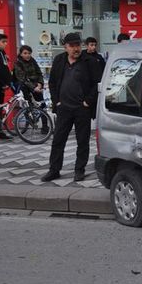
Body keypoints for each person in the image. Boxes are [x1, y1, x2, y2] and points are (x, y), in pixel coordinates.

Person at [41, 33, 101, 183]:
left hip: (82, 109)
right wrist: (57, 102)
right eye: (72, 46)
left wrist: (88, 102)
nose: (76, 48)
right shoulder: (59, 60)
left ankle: (79, 170)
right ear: (65, 47)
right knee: (58, 140)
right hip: (64, 109)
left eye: (78, 45)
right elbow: (53, 82)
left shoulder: (90, 61)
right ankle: (54, 170)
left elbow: (97, 84)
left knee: (83, 141)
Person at [13, 45, 49, 134]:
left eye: (29, 53)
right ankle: (29, 120)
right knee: (28, 106)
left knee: (42, 105)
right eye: (25, 53)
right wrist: (34, 88)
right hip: (25, 86)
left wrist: (40, 83)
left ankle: (45, 127)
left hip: (36, 85)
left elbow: (39, 73)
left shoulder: (32, 61)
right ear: (20, 54)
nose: (27, 55)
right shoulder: (18, 63)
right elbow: (22, 79)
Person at [0, 33, 12, 139]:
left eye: (6, 42)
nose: (5, 44)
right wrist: (2, 83)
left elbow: (5, 68)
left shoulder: (2, 52)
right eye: (3, 42)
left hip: (2, 86)